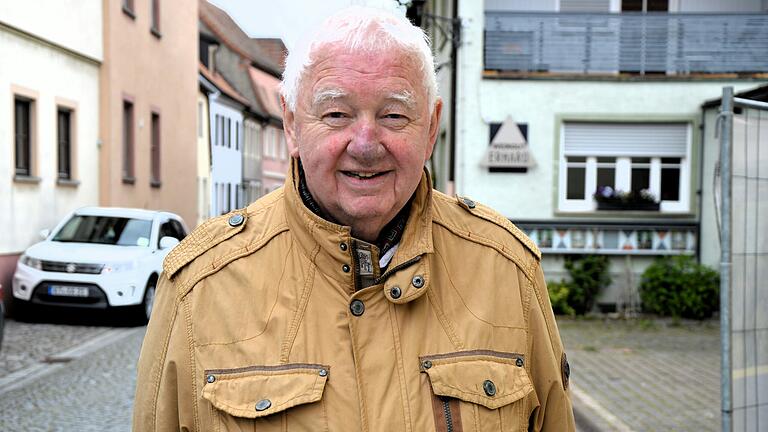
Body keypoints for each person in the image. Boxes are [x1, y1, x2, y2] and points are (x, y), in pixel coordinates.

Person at [133, 6, 574, 431]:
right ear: (291, 124)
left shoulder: (508, 270)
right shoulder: (199, 287)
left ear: (431, 128)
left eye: (394, 115)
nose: (365, 143)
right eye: (336, 114)